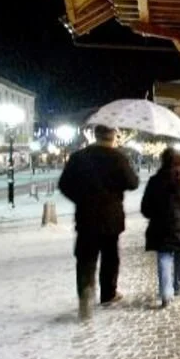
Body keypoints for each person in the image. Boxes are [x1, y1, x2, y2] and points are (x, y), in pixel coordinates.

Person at [58, 125, 140, 319]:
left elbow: (64, 184)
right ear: (112, 137)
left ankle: (85, 291)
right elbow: (133, 183)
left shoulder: (79, 157)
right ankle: (108, 293)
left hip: (86, 216)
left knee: (85, 258)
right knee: (110, 256)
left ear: (94, 136)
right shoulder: (117, 157)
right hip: (111, 217)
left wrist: (80, 198)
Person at [140, 149, 180, 307]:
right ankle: (179, 286)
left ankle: (166, 293)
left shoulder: (155, 181)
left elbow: (145, 207)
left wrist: (154, 216)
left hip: (160, 228)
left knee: (164, 257)